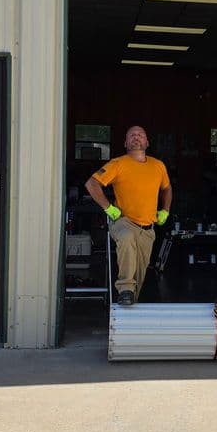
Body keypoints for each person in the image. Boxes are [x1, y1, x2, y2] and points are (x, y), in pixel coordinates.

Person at [85, 125, 172, 306]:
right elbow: (92, 183)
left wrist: (165, 210)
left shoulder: (158, 165)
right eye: (131, 135)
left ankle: (129, 303)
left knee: (138, 278)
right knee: (126, 237)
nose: (136, 137)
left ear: (147, 142)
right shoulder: (118, 163)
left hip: (147, 230)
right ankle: (124, 288)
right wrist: (108, 208)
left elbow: (167, 188)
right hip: (123, 222)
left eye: (140, 135)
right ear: (125, 143)